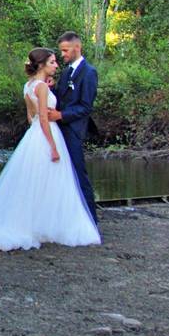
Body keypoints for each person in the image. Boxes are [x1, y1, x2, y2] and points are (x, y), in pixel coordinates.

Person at [0, 48, 101, 251]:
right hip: (47, 134)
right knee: (53, 181)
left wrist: (47, 93)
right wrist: (53, 146)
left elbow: (31, 117)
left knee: (35, 181)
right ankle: (51, 224)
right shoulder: (42, 88)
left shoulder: (28, 86)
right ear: (42, 65)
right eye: (52, 62)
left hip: (33, 136)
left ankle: (35, 223)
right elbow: (44, 118)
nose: (56, 65)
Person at [47, 31, 99, 224]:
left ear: (77, 47)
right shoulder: (67, 71)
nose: (63, 54)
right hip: (60, 130)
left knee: (78, 173)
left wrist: (61, 115)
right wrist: (51, 88)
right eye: (61, 51)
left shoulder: (89, 72)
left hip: (75, 130)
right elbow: (63, 98)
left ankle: (90, 220)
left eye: (65, 50)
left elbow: (86, 107)